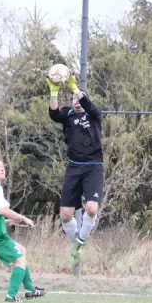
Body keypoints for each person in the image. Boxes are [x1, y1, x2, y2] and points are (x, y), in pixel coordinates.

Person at [47, 71, 104, 276]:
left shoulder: (94, 114)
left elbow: (87, 104)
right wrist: (54, 90)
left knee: (91, 208)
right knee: (65, 214)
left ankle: (81, 240)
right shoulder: (68, 116)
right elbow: (54, 114)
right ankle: (76, 246)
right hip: (73, 167)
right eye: (73, 99)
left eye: (79, 98)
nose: (76, 102)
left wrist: (74, 88)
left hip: (93, 167)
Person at [0, 158, 45, 303]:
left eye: (3, 166)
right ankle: (11, 296)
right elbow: (2, 210)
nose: (2, 169)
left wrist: (7, 221)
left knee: (22, 250)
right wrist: (23, 218)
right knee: (20, 260)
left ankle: (30, 290)